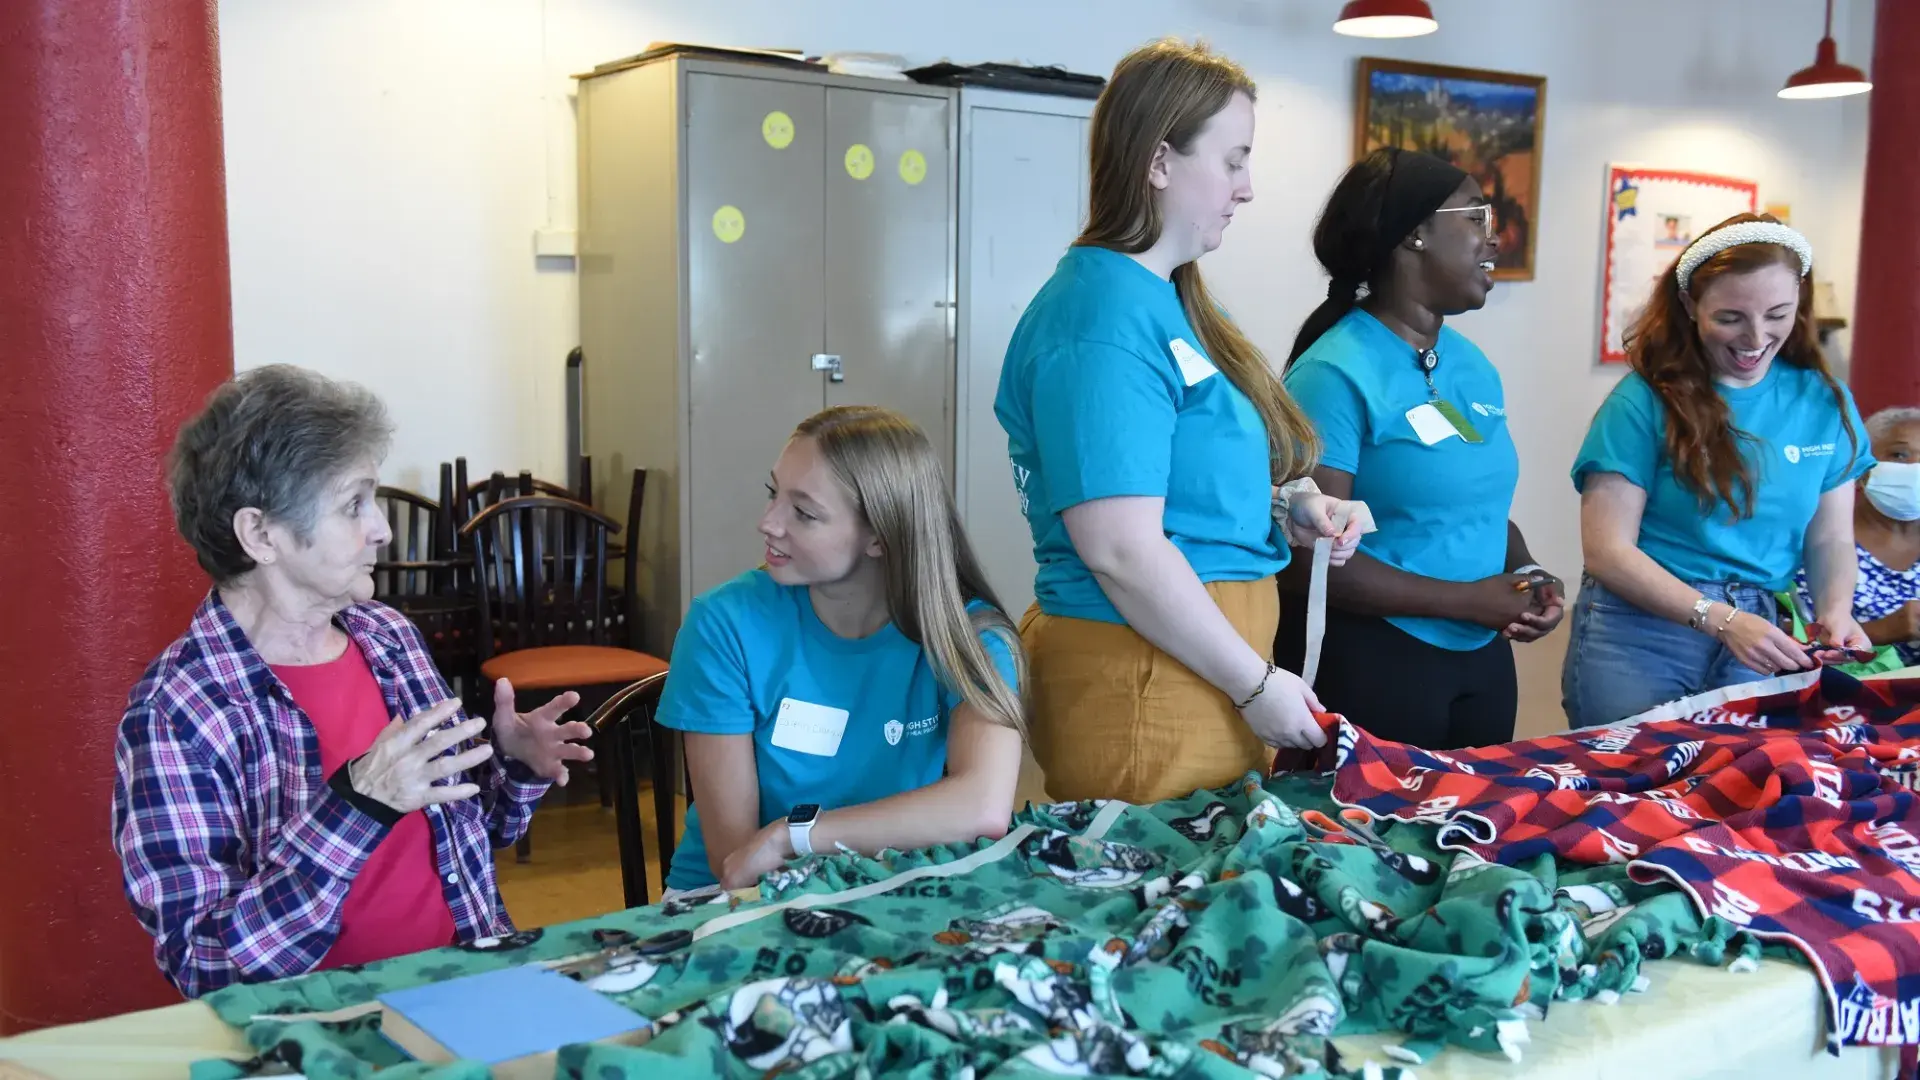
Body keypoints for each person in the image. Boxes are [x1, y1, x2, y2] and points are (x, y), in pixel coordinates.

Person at [113, 366, 593, 997]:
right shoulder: (178, 712)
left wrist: (515, 766)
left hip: (471, 982)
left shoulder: (387, 638)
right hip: (320, 1029)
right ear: (261, 534)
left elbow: (470, 837)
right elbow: (208, 967)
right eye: (353, 505)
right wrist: (357, 805)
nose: (383, 529)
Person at [994, 38, 1364, 805]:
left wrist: (1286, 505)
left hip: (1194, 652)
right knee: (1144, 901)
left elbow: (1175, 481)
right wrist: (1255, 683)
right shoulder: (1099, 316)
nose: (1248, 186)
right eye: (1233, 160)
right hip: (1147, 664)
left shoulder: (1172, 301)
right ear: (1160, 162)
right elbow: (1121, 547)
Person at [657, 406, 1032, 895]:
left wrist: (793, 836)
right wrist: (784, 847)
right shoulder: (723, 624)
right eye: (774, 494)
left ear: (880, 536)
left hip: (888, 890)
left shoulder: (972, 637)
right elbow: (736, 862)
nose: (767, 523)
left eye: (804, 513)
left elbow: (982, 806)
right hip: (734, 902)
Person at [1278, 148, 1563, 750]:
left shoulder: (1471, 364)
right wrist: (1466, 601)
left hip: (1482, 658)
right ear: (1415, 234)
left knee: (1472, 836)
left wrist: (1526, 570)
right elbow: (1311, 563)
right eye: (1476, 218)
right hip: (1379, 661)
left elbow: (1474, 508)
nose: (1495, 239)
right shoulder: (1333, 373)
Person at [1563, 214, 1872, 728]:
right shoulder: (1642, 401)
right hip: (1642, 628)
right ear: (1689, 305)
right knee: (1628, 792)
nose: (1756, 337)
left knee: (1739, 793)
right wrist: (1721, 619)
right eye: (1731, 317)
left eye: (1778, 314)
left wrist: (1836, 611)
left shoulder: (1825, 401)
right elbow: (1607, 552)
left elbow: (1831, 539)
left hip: (1761, 631)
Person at [1789, 407, 1920, 672]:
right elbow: (1768, 639)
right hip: (1838, 703)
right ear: (1859, 467)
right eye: (1899, 454)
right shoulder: (1813, 544)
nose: (1916, 467)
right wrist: (1881, 631)